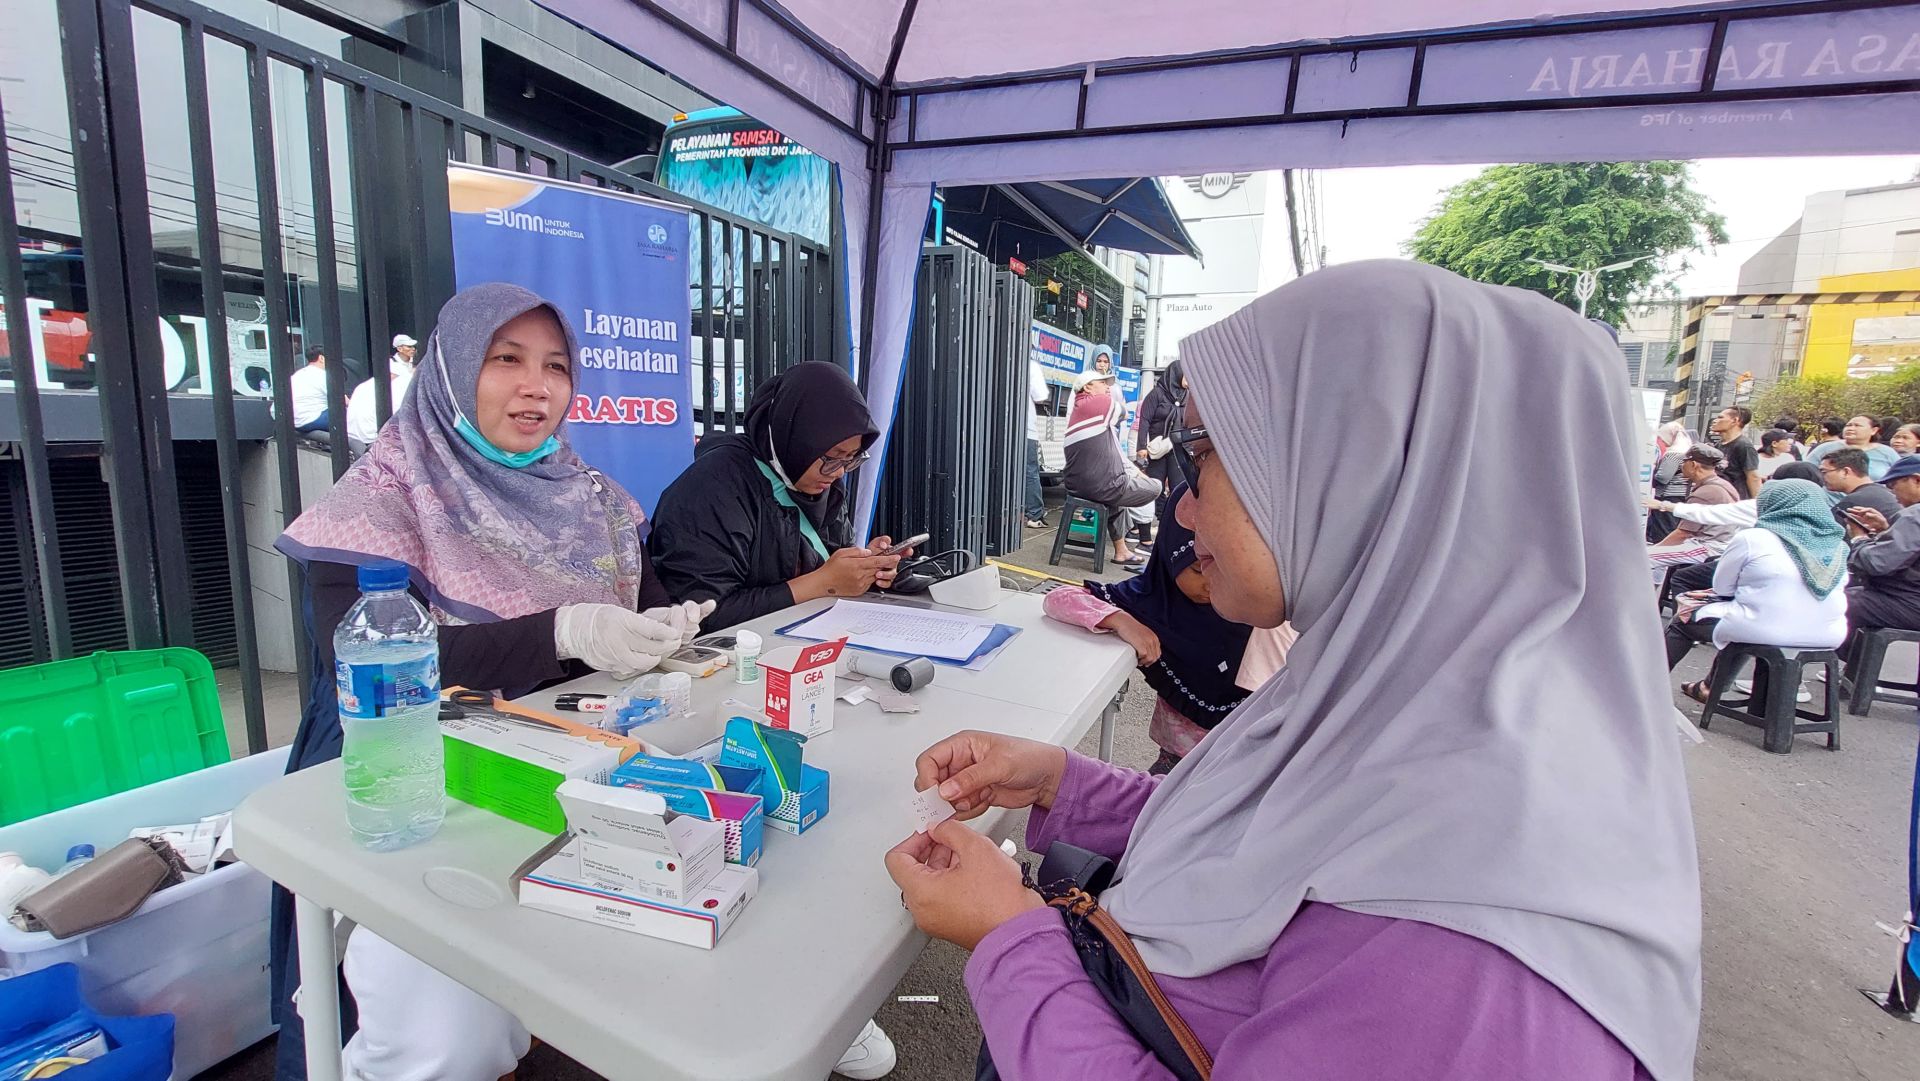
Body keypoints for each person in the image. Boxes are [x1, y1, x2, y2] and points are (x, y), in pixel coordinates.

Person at [887, 261, 1698, 1081]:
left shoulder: (1479, 944)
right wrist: (1061, 779)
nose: (1181, 505)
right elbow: (1271, 839)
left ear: (1357, 464)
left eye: (1203, 454)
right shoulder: (1405, 692)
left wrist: (1010, 939)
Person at [268, 283, 713, 1081]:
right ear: (449, 368)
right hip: (412, 786)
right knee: (445, 1033)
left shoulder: (597, 501)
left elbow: (632, 610)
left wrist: (660, 630)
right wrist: (563, 631)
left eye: (556, 366)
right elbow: (373, 673)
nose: (536, 386)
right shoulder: (378, 501)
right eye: (506, 359)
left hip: (559, 760)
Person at [648, 361, 907, 631]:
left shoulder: (819, 481)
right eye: (832, 458)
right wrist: (821, 583)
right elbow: (701, 614)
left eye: (851, 458)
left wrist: (863, 567)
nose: (839, 472)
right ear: (799, 440)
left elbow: (829, 561)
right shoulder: (711, 489)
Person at [1042, 483, 1250, 773]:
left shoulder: (1251, 604)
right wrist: (1122, 620)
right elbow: (1058, 598)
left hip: (1243, 759)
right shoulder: (1148, 599)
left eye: (1226, 567)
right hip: (1175, 757)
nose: (1211, 582)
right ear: (1170, 556)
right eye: (1197, 570)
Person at [1663, 479, 1848, 702]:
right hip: (1827, 634)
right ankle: (1717, 688)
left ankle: (1650, 686)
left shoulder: (1754, 538)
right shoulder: (1837, 545)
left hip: (1766, 629)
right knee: (1745, 619)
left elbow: (1722, 587)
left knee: (1688, 620)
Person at [1646, 462, 1823, 595]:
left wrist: (1663, 505)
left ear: (1694, 465)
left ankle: (1685, 624)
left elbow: (1706, 516)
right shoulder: (1820, 513)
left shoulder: (1763, 507)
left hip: (1729, 555)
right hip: (1801, 580)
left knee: (1681, 576)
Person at [1061, 368, 1159, 566]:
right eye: (1102, 383)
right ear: (1088, 387)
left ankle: (1121, 552)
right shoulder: (1095, 403)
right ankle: (1138, 530)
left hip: (1078, 485)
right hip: (1098, 485)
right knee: (1155, 487)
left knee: (1115, 502)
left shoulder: (1080, 411)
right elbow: (1123, 412)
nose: (1108, 388)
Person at [1837, 455, 1920, 651]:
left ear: (1916, 480)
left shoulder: (1915, 515)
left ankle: (1859, 668)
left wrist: (1859, 539)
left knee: (1837, 603)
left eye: (1893, 485)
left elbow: (1877, 563)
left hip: (1911, 602)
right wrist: (1885, 532)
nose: (1892, 492)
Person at [1649, 444, 1741, 586]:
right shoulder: (1724, 485)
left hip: (1709, 546)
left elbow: (1683, 533)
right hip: (1725, 542)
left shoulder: (1706, 492)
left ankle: (1648, 593)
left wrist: (1655, 548)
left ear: (1693, 465)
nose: (1681, 466)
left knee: (1646, 556)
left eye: (1683, 462)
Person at [1136, 361, 1186, 537]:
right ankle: (1149, 525)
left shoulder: (1187, 395)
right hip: (1157, 450)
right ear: (1176, 375)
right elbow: (1144, 420)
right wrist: (1141, 446)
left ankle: (1170, 524)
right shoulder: (1157, 394)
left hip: (1177, 450)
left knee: (1178, 488)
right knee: (1155, 487)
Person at [344, 334, 418, 452]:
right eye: (409, 346)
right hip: (372, 437)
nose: (413, 349)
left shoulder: (364, 386)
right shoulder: (402, 381)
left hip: (356, 437)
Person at [1819, 448, 1904, 537]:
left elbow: (1830, 537)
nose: (1821, 477)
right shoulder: (1883, 492)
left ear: (1845, 472)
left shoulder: (1852, 502)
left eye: (1824, 472)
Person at [1807, 414, 1899, 480]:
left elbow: (1897, 478)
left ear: (1874, 430)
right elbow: (1807, 471)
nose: (1850, 428)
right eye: (1848, 425)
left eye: (1857, 426)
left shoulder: (1887, 452)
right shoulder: (1825, 448)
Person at [1647, 421, 1695, 542]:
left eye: (1663, 438)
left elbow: (1663, 477)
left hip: (1669, 495)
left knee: (1664, 529)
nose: (1663, 441)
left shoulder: (1673, 453)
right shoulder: (1687, 450)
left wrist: (1651, 474)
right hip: (1682, 494)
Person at [1709, 405, 1760, 499]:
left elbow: (1753, 477)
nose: (1715, 420)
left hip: (1736, 498)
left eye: (1720, 417)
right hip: (1721, 496)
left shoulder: (1744, 445)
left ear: (1735, 420)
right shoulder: (1719, 444)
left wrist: (1756, 503)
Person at [1025, 358, 1050, 528]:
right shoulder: (1031, 365)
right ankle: (1034, 514)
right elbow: (1041, 395)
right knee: (1030, 471)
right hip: (1026, 428)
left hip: (998, 428)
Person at [288, 345, 330, 433]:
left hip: (295, 422)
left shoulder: (297, 375)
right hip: (314, 419)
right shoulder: (323, 375)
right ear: (321, 358)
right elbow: (340, 399)